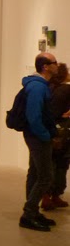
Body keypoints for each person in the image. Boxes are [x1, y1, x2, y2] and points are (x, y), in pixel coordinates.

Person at [20, 52, 60, 232]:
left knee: (35, 173)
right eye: (54, 62)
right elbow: (34, 116)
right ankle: (28, 214)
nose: (57, 65)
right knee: (45, 177)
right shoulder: (37, 87)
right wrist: (46, 136)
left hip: (35, 135)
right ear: (45, 67)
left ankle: (33, 212)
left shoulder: (38, 85)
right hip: (37, 136)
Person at [46, 62, 70, 210]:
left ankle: (48, 196)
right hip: (62, 132)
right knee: (61, 165)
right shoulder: (66, 89)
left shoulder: (49, 88)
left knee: (50, 164)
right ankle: (53, 196)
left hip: (50, 131)